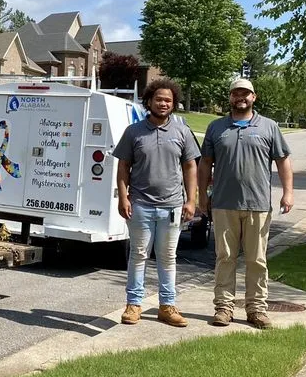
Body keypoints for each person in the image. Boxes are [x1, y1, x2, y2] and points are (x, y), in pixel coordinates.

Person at [197, 78, 294, 329]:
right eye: (236, 93)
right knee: (224, 257)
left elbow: (283, 161)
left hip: (258, 204)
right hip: (223, 204)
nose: (241, 97)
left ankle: (257, 309)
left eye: (246, 93)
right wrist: (201, 195)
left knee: (257, 260)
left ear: (254, 97)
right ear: (230, 97)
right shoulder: (216, 127)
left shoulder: (269, 127)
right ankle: (224, 308)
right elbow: (205, 163)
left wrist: (288, 193)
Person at [113, 78, 200, 327]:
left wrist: (191, 200)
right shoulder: (134, 132)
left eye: (168, 100)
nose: (163, 103)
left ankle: (167, 306)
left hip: (172, 206)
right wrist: (123, 195)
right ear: (149, 101)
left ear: (174, 104)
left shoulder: (182, 132)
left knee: (167, 257)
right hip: (140, 204)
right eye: (159, 99)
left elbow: (190, 166)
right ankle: (133, 305)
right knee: (138, 255)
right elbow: (123, 167)